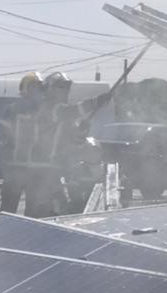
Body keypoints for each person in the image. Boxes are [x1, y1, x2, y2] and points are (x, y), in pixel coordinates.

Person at [33, 71, 111, 215]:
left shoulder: (64, 113)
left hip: (60, 165)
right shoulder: (49, 108)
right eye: (61, 87)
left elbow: (75, 141)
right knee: (51, 207)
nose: (66, 90)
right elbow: (73, 111)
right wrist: (95, 102)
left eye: (67, 87)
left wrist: (82, 130)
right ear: (50, 89)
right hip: (45, 166)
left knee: (70, 204)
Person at [0, 72, 46, 214]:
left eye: (40, 88)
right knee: (8, 208)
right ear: (26, 89)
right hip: (14, 168)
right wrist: (4, 163)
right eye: (35, 87)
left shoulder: (44, 111)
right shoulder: (12, 110)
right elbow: (0, 135)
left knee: (33, 209)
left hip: (35, 169)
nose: (38, 92)